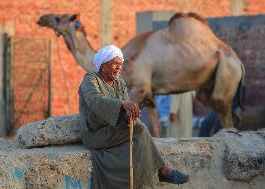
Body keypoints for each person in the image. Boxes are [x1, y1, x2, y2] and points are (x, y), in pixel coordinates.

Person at [78, 45, 189, 189]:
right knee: (139, 128)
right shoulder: (90, 79)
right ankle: (163, 170)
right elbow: (95, 101)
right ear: (103, 65)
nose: (118, 68)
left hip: (113, 129)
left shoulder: (120, 83)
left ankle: (146, 179)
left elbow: (124, 109)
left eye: (120, 64)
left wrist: (131, 113)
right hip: (95, 133)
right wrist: (123, 105)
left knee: (137, 128)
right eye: (115, 64)